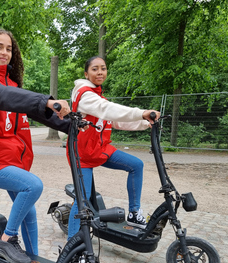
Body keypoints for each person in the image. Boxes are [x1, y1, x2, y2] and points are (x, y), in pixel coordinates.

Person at [0, 28, 71, 263]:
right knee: (33, 186)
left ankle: (33, 261)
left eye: (9, 49)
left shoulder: (12, 82)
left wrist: (72, 125)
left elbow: (31, 108)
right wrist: (47, 100)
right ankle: (6, 240)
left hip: (10, 159)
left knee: (28, 210)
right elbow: (5, 96)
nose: (5, 52)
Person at [66, 56, 160, 240]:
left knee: (136, 165)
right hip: (82, 155)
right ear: (86, 73)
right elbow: (107, 109)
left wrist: (144, 123)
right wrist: (141, 112)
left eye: (103, 68)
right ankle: (72, 244)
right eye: (94, 69)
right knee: (82, 203)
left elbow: (115, 120)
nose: (100, 72)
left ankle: (134, 213)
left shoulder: (99, 97)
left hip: (101, 149)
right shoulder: (85, 95)